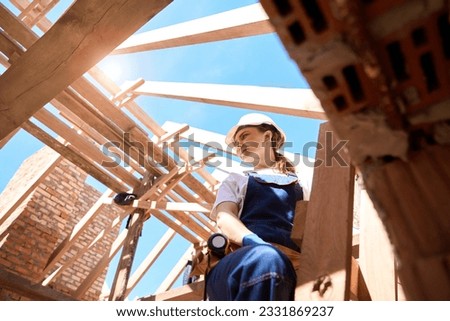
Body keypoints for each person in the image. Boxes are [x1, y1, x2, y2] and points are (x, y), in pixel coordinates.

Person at [205, 113, 308, 301]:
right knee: (267, 259)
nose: (239, 146)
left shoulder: (302, 184)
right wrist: (253, 241)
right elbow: (224, 216)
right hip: (241, 261)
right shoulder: (236, 179)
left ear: (267, 136)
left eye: (244, 136)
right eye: (236, 143)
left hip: (289, 264)